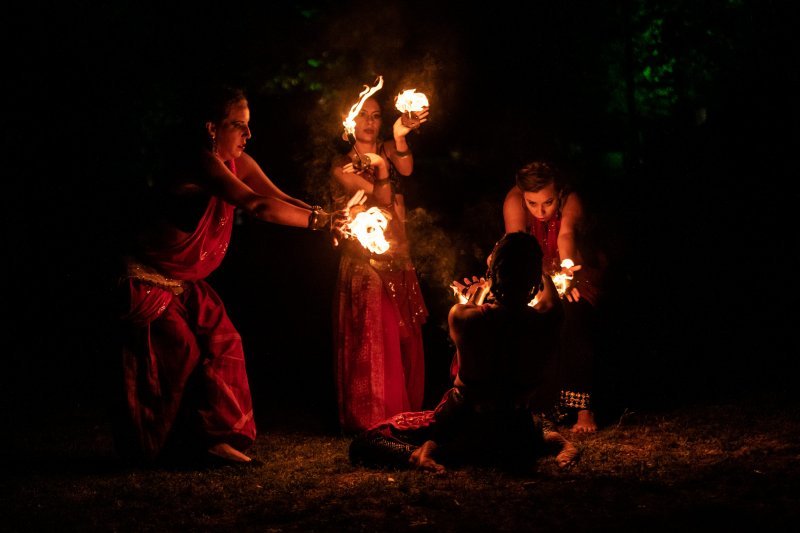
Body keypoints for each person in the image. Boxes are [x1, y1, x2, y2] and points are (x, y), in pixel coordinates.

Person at [116, 86, 345, 465]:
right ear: (211, 128)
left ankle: (216, 438)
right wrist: (318, 222)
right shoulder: (199, 161)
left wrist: (328, 218)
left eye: (248, 126)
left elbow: (278, 197)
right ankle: (173, 446)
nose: (248, 135)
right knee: (182, 352)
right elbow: (255, 205)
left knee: (225, 341)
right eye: (238, 125)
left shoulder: (240, 163)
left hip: (182, 284)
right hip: (146, 280)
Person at [349, 232, 578, 473]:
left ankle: (417, 454)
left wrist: (486, 285)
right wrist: (538, 272)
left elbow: (478, 311)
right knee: (530, 416)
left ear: (493, 274)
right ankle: (555, 442)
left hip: (466, 427)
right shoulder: (547, 318)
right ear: (533, 279)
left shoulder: (463, 317)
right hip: (516, 431)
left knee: (367, 441)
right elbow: (550, 301)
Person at [330, 96, 430, 433]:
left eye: (376, 116)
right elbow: (383, 198)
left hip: (399, 252)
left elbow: (408, 168)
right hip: (367, 258)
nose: (370, 123)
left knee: (405, 332)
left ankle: (408, 412)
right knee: (378, 331)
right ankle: (376, 414)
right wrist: (382, 168)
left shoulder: (387, 148)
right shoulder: (341, 166)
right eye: (363, 116)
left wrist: (400, 136)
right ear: (350, 122)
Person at [503, 160, 606, 433]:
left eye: (547, 203)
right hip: (535, 273)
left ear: (558, 193)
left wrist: (567, 273)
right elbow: (517, 245)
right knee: (529, 318)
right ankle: (543, 406)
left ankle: (584, 409)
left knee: (574, 313)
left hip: (573, 270)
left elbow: (566, 236)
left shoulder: (571, 200)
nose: (540, 211)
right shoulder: (514, 200)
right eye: (532, 204)